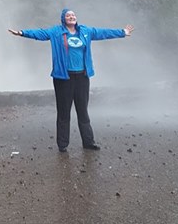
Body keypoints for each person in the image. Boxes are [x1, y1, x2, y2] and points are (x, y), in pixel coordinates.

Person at [8, 8, 134, 152]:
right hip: (63, 77)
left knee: (83, 111)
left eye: (73, 15)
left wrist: (123, 32)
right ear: (63, 18)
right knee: (64, 112)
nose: (71, 17)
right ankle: (62, 145)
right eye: (68, 15)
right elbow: (40, 33)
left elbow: (103, 33)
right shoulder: (56, 32)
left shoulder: (85, 31)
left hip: (82, 77)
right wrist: (22, 33)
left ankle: (88, 142)